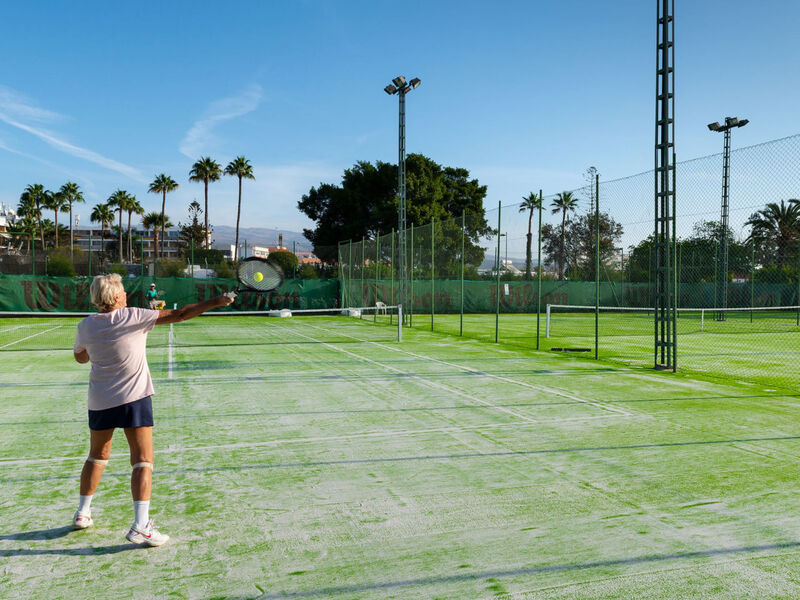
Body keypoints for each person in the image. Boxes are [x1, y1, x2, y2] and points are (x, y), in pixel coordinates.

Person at [72, 273, 234, 546]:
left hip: (99, 400)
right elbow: (181, 314)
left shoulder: (85, 326)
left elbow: (80, 357)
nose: (125, 294)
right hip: (133, 398)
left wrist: (98, 347)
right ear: (114, 297)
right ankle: (141, 526)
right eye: (122, 291)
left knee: (97, 456)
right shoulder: (133, 315)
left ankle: (82, 513)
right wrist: (217, 301)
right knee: (143, 459)